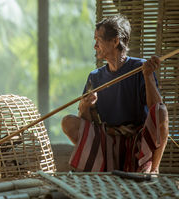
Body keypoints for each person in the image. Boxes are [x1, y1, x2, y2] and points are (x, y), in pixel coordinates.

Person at [61, 14, 169, 173]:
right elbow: (86, 123)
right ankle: (98, 165)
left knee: (161, 111)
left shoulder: (141, 68)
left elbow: (156, 109)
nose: (95, 46)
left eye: (98, 40)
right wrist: (85, 106)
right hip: (107, 143)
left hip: (137, 142)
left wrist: (148, 76)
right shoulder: (95, 77)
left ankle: (153, 170)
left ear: (115, 41)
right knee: (67, 122)